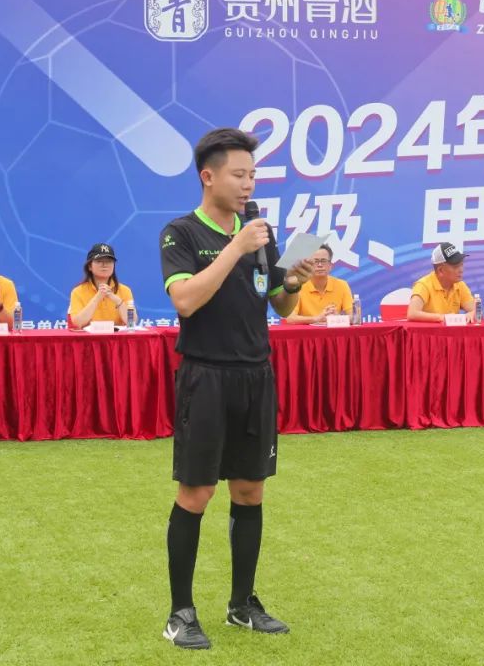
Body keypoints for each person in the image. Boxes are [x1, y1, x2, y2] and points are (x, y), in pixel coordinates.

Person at [158, 128, 314, 650]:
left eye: (253, 175)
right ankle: (180, 613)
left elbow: (279, 305)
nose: (248, 185)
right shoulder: (181, 233)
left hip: (256, 376)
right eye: (239, 175)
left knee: (250, 490)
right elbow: (186, 300)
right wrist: (236, 248)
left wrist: (294, 281)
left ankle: (242, 604)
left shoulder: (260, 234)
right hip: (205, 376)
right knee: (197, 493)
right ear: (208, 176)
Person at [68, 243, 135, 328]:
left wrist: (118, 301)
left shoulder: (125, 290)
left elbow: (132, 322)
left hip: (116, 336)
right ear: (90, 266)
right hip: (89, 336)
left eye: (109, 261)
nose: (104, 264)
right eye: (99, 261)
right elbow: (77, 323)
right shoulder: (78, 292)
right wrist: (97, 297)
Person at [407, 242, 475, 322]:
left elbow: (476, 310)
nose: (461, 270)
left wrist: (472, 313)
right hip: (428, 330)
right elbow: (412, 314)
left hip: (451, 330)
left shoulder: (460, 285)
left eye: (461, 265)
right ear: (440, 270)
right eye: (456, 267)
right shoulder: (423, 285)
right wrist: (442, 317)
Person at [285, 244, 353, 324]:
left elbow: (354, 317)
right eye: (315, 261)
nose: (320, 265)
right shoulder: (298, 286)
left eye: (323, 261)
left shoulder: (342, 285)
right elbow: (290, 318)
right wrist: (316, 319)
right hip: (307, 331)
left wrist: (337, 318)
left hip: (332, 331)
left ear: (331, 266)